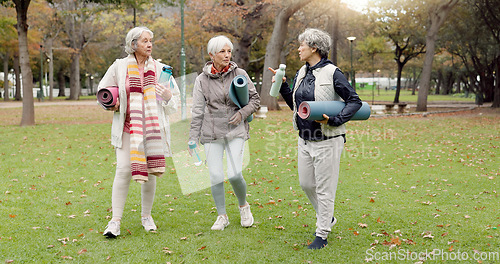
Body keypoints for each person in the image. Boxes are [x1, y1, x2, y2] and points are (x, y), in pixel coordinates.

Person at [270, 28, 362, 249]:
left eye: (302, 45)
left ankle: (322, 234)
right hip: (304, 139)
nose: (299, 48)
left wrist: (335, 120)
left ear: (314, 48)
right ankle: (327, 217)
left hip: (327, 140)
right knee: (306, 184)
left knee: (324, 189)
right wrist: (282, 85)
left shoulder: (333, 73)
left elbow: (355, 101)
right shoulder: (302, 72)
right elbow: (297, 107)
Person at [97, 26, 180, 238]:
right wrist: (110, 105)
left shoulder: (162, 69)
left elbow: (174, 104)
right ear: (133, 44)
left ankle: (146, 216)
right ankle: (115, 221)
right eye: (144, 41)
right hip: (127, 128)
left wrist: (169, 96)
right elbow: (102, 92)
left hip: (152, 130)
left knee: (151, 172)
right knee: (123, 169)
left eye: (151, 40)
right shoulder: (119, 66)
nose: (149, 44)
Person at [188, 35, 260, 231]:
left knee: (235, 173)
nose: (227, 55)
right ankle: (222, 216)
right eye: (222, 51)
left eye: (229, 51)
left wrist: (242, 113)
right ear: (212, 54)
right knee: (215, 176)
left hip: (236, 130)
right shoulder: (201, 80)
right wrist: (192, 139)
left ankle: (244, 206)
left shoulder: (240, 74)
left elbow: (255, 100)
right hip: (212, 133)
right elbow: (197, 111)